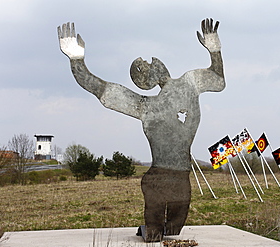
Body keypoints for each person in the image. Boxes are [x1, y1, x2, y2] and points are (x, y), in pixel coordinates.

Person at [57, 18, 225, 242]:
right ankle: (151, 230)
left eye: (151, 63)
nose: (152, 64)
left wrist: (215, 51)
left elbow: (219, 81)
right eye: (145, 68)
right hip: (158, 177)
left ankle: (155, 231)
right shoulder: (145, 106)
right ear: (145, 82)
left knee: (174, 231)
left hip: (181, 176)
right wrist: (76, 60)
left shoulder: (190, 83)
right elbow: (99, 89)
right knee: (155, 234)